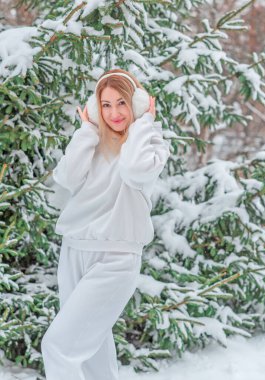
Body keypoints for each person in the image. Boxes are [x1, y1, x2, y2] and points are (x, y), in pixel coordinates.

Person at [41, 68, 171, 380]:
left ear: (137, 104)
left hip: (117, 259)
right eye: (106, 104)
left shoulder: (151, 144)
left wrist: (143, 125)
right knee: (92, 356)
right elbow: (67, 178)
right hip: (74, 252)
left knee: (58, 347)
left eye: (122, 103)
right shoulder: (91, 141)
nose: (114, 112)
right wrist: (86, 130)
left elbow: (134, 171)